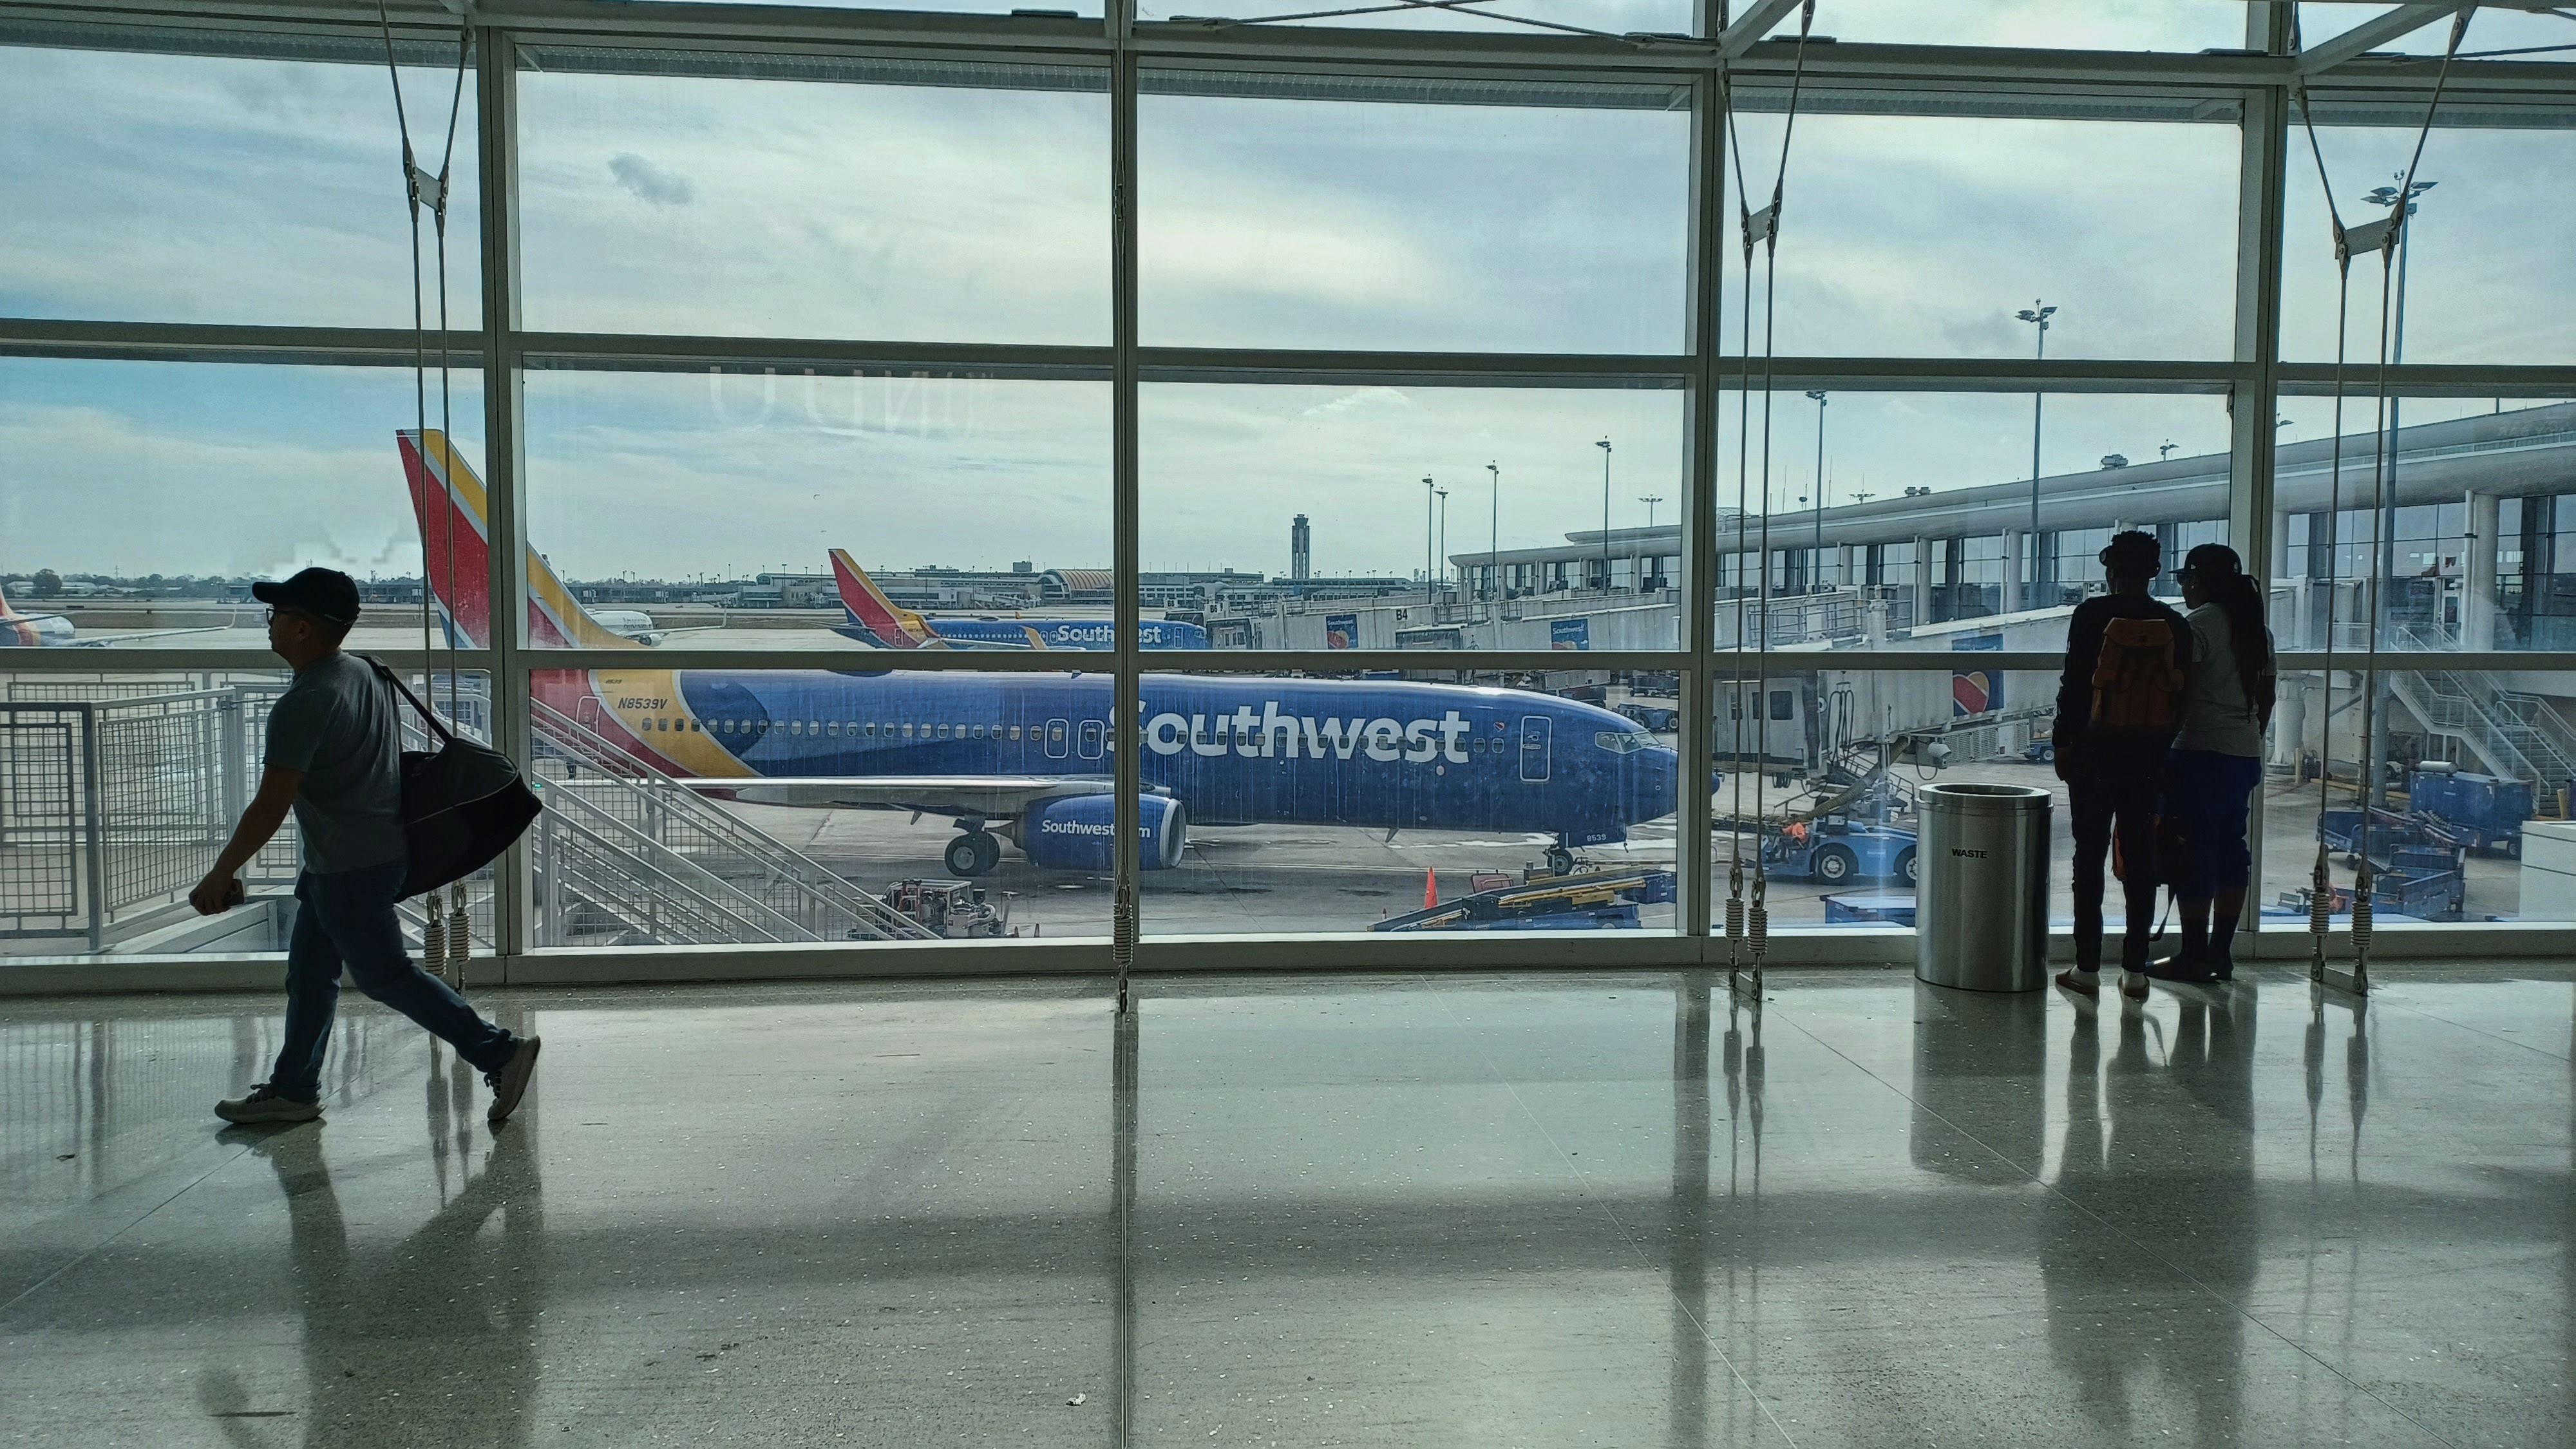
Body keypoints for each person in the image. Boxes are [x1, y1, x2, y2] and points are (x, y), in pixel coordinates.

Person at [193, 566, 540, 1126]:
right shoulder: (364, 671)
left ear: (302, 629)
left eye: (277, 615)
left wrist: (222, 871)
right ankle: (295, 1088)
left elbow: (271, 803)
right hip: (364, 852)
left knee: (386, 977)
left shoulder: (305, 702)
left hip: (349, 865)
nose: (271, 625)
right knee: (309, 974)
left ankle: (498, 1051)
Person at [2052, 530, 2192, 1001]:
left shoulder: (2092, 615)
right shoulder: (2175, 623)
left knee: (2088, 858)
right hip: (2148, 754)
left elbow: (2074, 685)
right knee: (2141, 859)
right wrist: (2161, 745)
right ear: (2154, 571)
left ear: (2110, 570)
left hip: (2093, 753)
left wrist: (2063, 742)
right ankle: (2135, 971)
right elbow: (2182, 697)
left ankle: (2086, 967)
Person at [2152, 543, 2276, 983]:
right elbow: (2268, 694)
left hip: (2199, 752)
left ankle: (2192, 954)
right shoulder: (2256, 629)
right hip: (2242, 754)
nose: (2184, 588)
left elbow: (2178, 692)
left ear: (2198, 581)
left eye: (2186, 580)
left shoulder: (2199, 624)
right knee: (2230, 851)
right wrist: (2248, 735)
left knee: (2193, 853)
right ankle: (2220, 953)